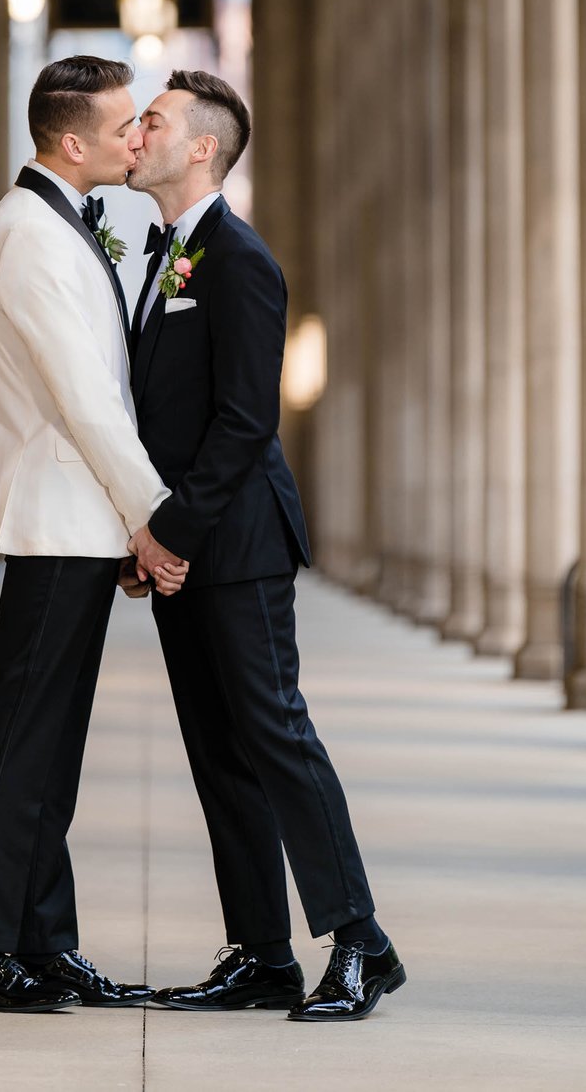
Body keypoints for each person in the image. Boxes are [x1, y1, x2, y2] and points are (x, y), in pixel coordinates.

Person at [125, 69, 405, 1022]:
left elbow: (245, 423)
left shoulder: (239, 260)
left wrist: (167, 532)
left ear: (201, 147)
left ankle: (362, 941)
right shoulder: (169, 256)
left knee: (276, 734)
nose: (135, 132)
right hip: (186, 546)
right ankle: (260, 951)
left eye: (151, 121)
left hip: (235, 542)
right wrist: (149, 536)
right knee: (217, 750)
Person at [0, 55, 188, 1014]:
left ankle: (43, 943)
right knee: (21, 741)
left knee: (51, 745)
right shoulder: (30, 236)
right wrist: (150, 517)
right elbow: (85, 401)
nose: (138, 139)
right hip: (57, 518)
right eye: (125, 127)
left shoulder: (58, 222)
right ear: (71, 142)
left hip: (78, 520)